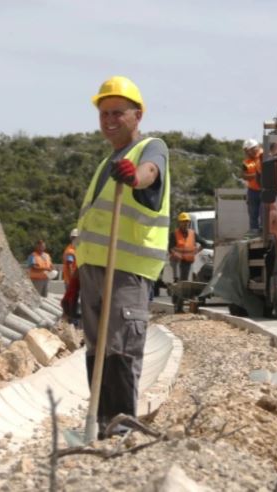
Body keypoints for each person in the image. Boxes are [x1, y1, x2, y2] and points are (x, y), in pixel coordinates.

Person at [61, 75, 170, 439]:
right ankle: (102, 421)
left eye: (117, 113)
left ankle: (121, 426)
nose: (109, 120)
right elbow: (93, 229)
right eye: (103, 113)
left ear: (137, 115)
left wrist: (134, 177)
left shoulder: (150, 148)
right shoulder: (105, 163)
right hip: (95, 271)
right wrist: (76, 278)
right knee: (98, 350)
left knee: (121, 348)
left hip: (126, 270)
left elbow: (149, 174)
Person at [168, 212, 209, 282]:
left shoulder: (192, 234)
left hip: (188, 262)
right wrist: (177, 255)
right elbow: (170, 248)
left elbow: (204, 243)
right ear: (179, 223)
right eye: (183, 221)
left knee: (185, 281)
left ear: (189, 223)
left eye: (187, 221)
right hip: (178, 261)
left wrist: (196, 252)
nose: (185, 223)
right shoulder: (174, 234)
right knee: (178, 281)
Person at [242, 138, 263, 234]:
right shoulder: (246, 162)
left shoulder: (264, 156)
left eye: (247, 150)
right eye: (246, 151)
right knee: (253, 213)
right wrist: (256, 175)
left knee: (264, 212)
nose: (247, 153)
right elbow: (244, 175)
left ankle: (264, 231)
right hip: (253, 191)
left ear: (254, 148)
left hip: (265, 190)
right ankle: (254, 232)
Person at [62, 229, 80, 325]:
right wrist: (73, 279)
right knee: (71, 300)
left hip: (72, 279)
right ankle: (71, 320)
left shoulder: (73, 249)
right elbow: (69, 265)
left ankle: (71, 319)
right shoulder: (70, 251)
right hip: (71, 280)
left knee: (72, 300)